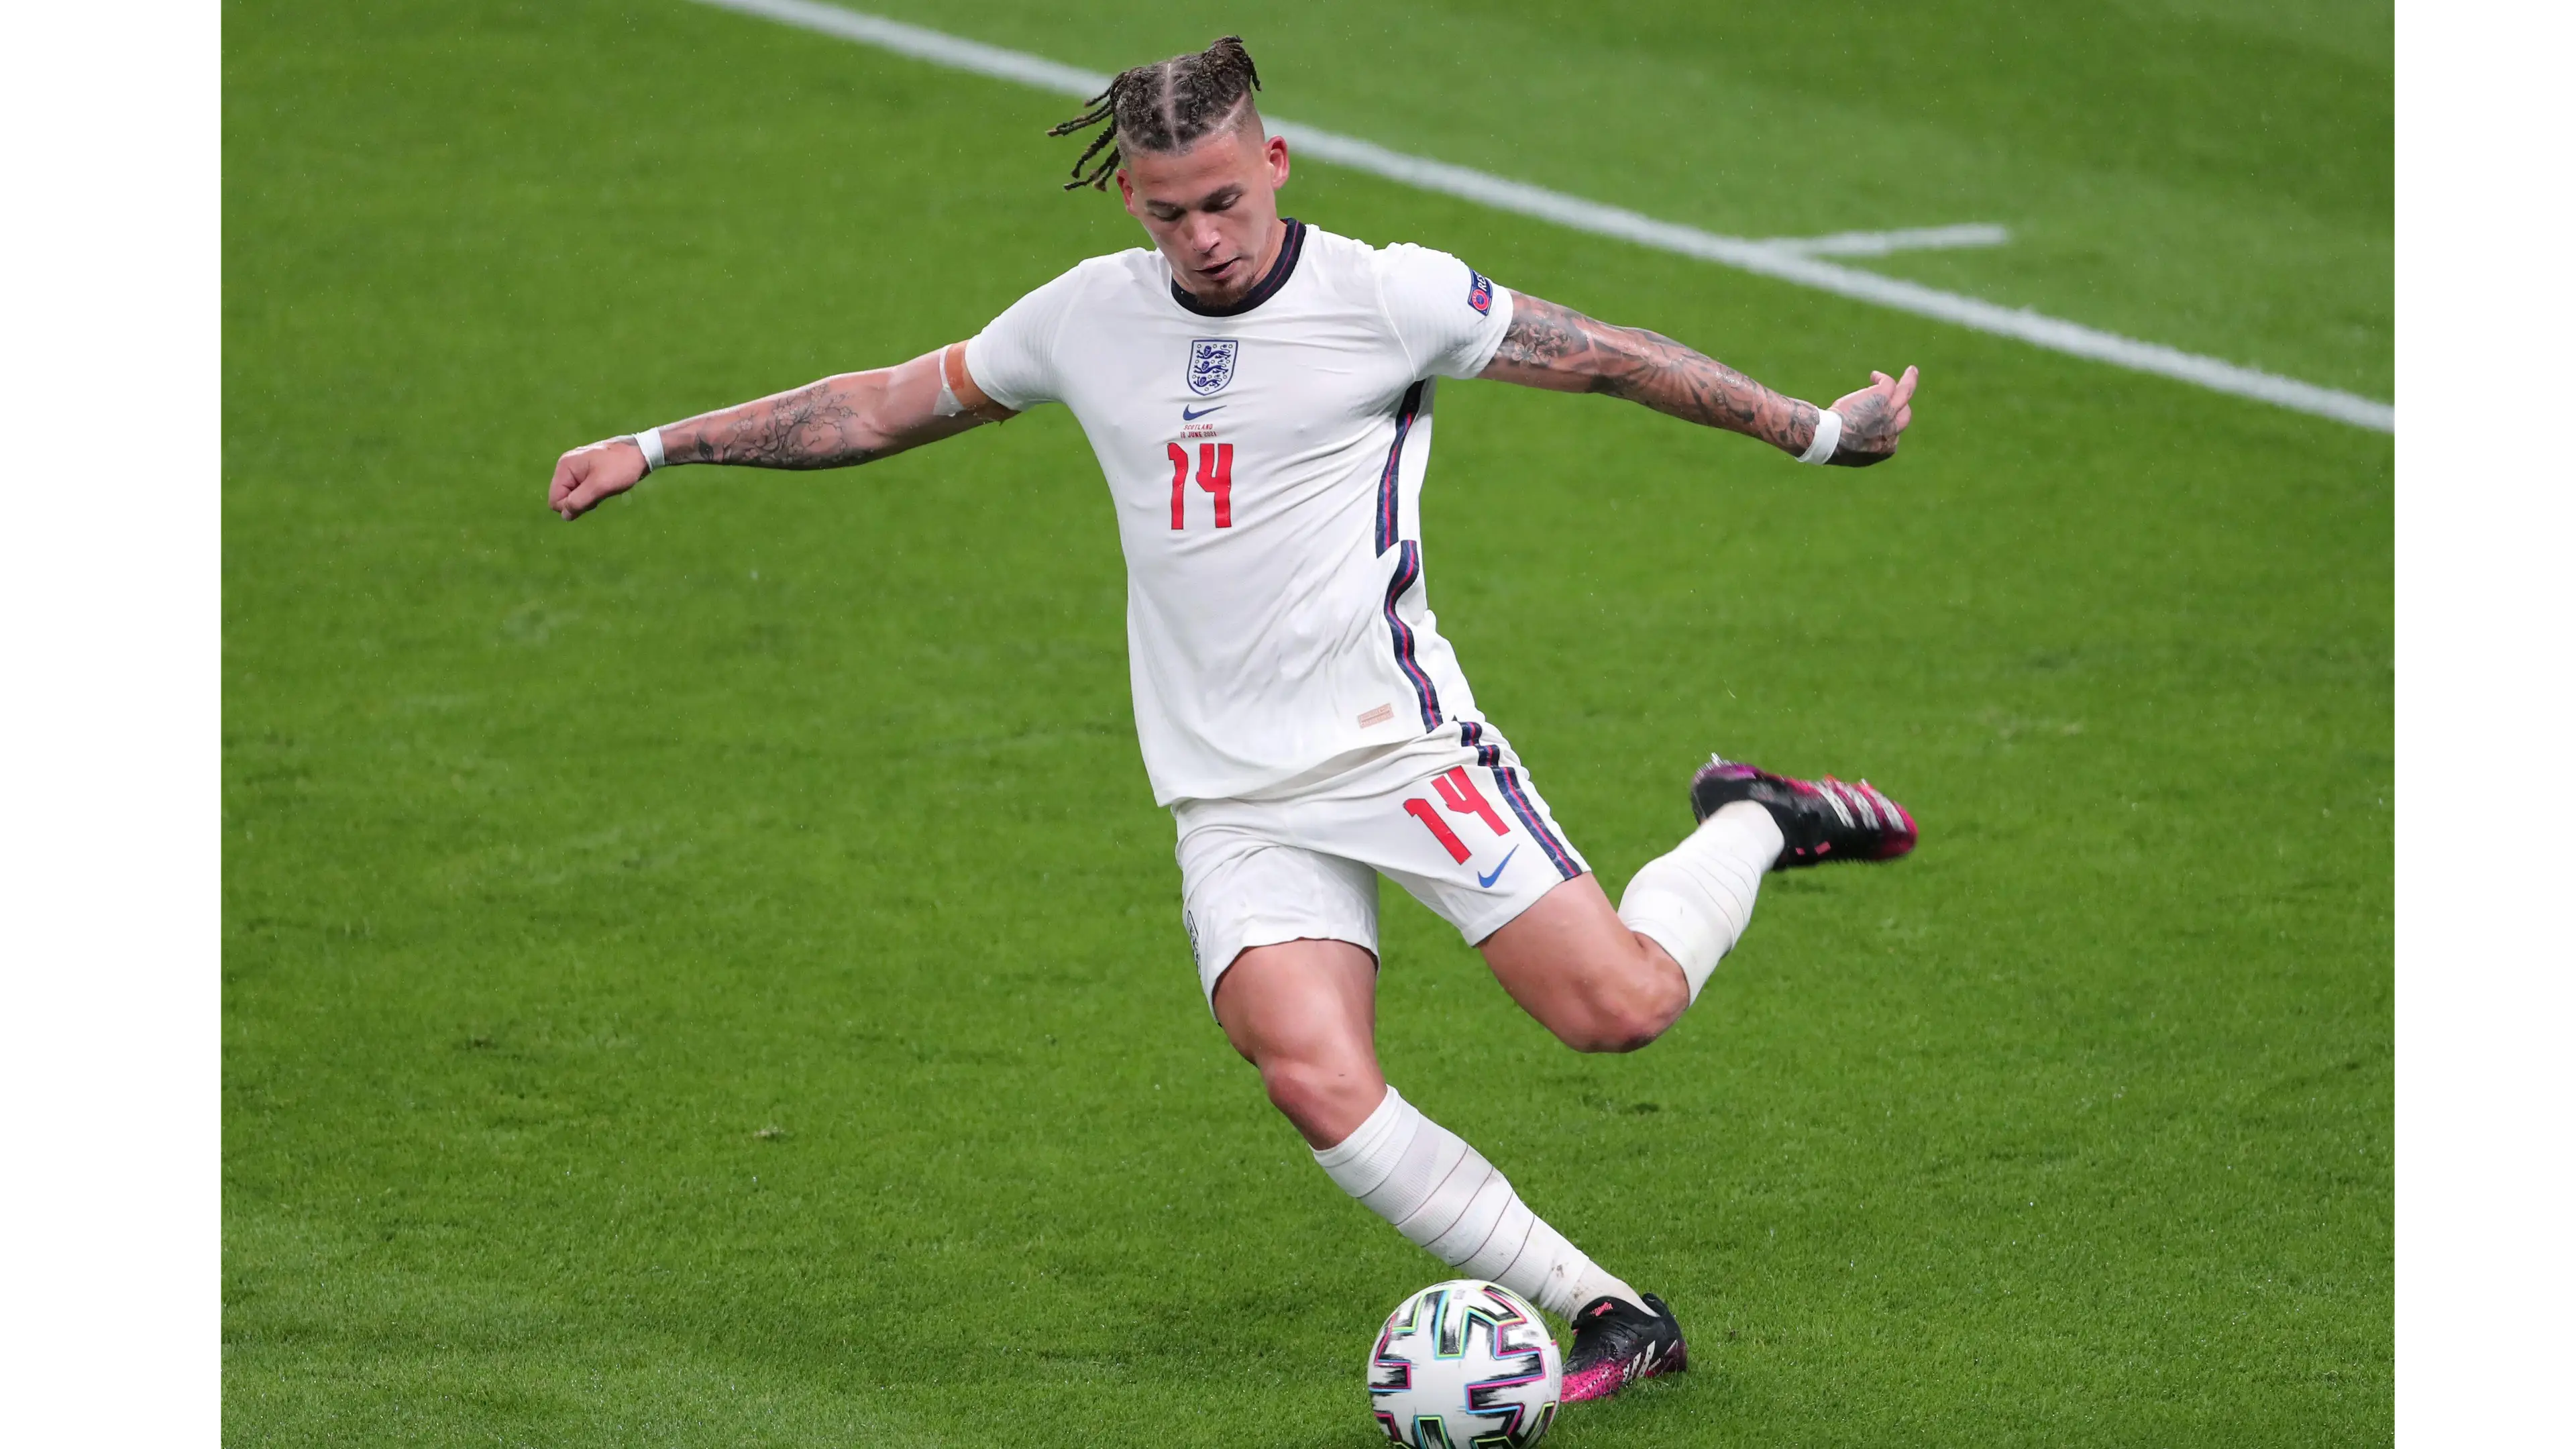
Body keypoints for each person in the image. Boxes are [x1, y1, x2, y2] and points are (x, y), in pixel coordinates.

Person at [545, 35, 1920, 1407]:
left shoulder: (1391, 299)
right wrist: (661, 444)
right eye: (1167, 213)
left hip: (1398, 748)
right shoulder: (1086, 318)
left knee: (1618, 1010)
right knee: (1314, 1077)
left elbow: (1609, 357)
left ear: (1273, 164)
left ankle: (1753, 817)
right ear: (1127, 203)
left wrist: (1814, 428)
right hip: (1229, 792)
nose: (1201, 238)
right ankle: (1605, 1308)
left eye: (1223, 202)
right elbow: (888, 404)